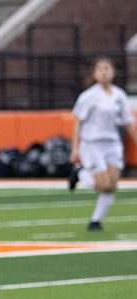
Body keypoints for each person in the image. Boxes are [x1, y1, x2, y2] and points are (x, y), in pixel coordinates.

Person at [68, 57, 137, 231]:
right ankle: (81, 173)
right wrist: (75, 148)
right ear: (94, 73)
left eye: (107, 69)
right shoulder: (89, 96)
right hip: (93, 144)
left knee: (112, 186)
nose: (104, 72)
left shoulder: (119, 95)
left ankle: (95, 221)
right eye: (100, 69)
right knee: (102, 185)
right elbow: (78, 123)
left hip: (112, 143)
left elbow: (128, 122)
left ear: (113, 72)